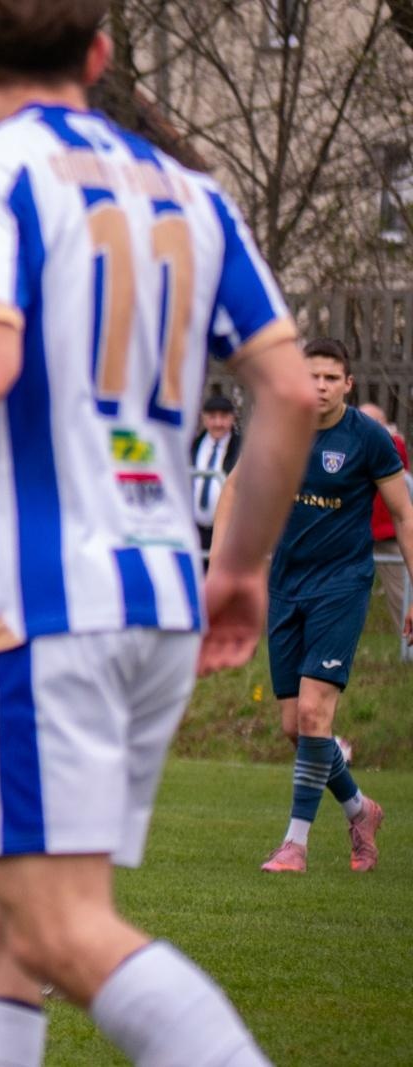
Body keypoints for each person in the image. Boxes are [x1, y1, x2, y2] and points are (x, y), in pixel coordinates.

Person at [0, 2, 316, 1064]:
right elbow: (285, 389)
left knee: (57, 924)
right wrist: (239, 563)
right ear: (96, 56)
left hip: (53, 602)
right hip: (159, 589)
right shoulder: (191, 192)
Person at [218, 339, 413, 875]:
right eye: (312, 377)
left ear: (348, 383)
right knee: (295, 727)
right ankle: (360, 809)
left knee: (312, 714)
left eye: (331, 377)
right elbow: (233, 489)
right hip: (286, 586)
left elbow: (403, 513)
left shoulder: (370, 439)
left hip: (342, 585)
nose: (320, 386)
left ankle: (294, 846)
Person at [357, 401, 410, 628]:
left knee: (400, 593)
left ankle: (408, 647)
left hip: (387, 533)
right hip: (359, 532)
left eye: (371, 421)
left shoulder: (393, 445)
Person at [190, 394, 241, 558]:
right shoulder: (193, 446)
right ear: (204, 418)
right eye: (212, 417)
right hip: (195, 530)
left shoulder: (242, 449)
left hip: (227, 533)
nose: (218, 423)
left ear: (232, 418)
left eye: (224, 417)